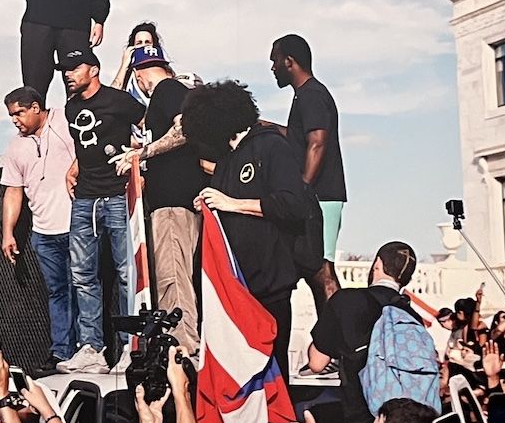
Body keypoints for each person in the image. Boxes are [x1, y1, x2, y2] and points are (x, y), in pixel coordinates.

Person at [183, 79, 316, 378]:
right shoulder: (229, 159)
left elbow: (293, 205)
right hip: (236, 290)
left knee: (272, 375)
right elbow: (222, 204)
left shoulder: (271, 145)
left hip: (269, 287)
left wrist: (232, 203)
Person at [58, 46, 144, 374]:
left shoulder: (119, 101)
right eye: (64, 69)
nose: (67, 74)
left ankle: (129, 349)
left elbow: (147, 128)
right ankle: (91, 349)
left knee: (126, 274)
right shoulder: (70, 108)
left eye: (73, 68)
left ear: (93, 69)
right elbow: (87, 145)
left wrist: (139, 159)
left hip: (118, 197)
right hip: (84, 201)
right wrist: (74, 167)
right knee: (82, 276)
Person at [114, 44, 203, 357]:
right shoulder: (169, 93)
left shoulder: (168, 89)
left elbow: (184, 130)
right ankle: (178, 344)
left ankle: (182, 347)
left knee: (173, 277)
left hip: (174, 205)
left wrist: (144, 153)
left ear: (139, 76)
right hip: (174, 202)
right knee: (174, 276)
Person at [307, 240, 428, 423]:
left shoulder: (346, 300)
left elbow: (316, 363)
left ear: (377, 264)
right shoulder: (412, 316)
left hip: (360, 419)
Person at [0, 86, 78, 370]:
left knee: (84, 288)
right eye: (11, 115)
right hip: (43, 232)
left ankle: (89, 348)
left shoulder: (64, 121)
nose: (15, 120)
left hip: (76, 223)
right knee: (57, 292)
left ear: (36, 107)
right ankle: (61, 353)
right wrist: (7, 232)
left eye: (19, 112)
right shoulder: (15, 147)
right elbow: (13, 191)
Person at [269, 34, 345, 302]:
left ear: (289, 62)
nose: (272, 67)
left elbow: (317, 142)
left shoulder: (312, 94)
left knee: (322, 269)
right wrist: (265, 127)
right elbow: (301, 137)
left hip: (321, 196)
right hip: (315, 196)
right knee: (313, 269)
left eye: (274, 60)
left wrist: (301, 187)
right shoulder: (304, 96)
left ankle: (339, 337)